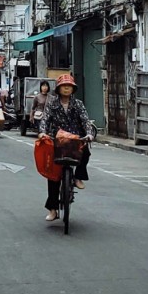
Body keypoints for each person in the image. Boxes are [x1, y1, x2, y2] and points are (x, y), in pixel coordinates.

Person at [37, 74, 94, 222]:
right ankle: (53, 209)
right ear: (58, 89)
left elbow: (85, 120)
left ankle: (78, 177)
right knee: (53, 176)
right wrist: (42, 132)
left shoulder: (78, 104)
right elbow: (45, 119)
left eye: (69, 86)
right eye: (64, 86)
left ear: (73, 89)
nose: (67, 88)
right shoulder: (52, 104)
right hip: (57, 141)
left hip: (75, 140)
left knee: (86, 151)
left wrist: (88, 134)